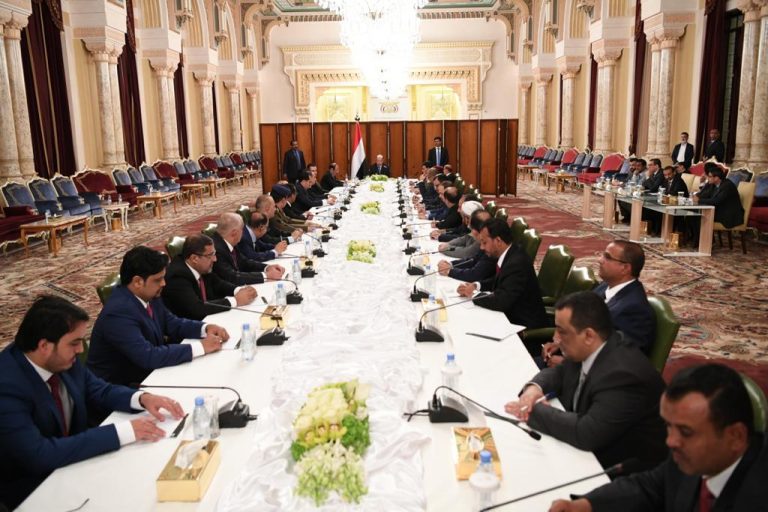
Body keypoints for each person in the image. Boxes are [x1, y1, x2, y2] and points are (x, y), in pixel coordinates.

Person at [0, 296, 184, 509]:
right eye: (74, 343)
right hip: (35, 489)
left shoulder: (60, 359)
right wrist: (122, 432)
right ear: (44, 346)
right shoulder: (7, 386)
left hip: (77, 464)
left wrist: (141, 399)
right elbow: (39, 455)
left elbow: (99, 390)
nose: (80, 350)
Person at [549, 364, 767, 512]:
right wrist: (586, 505)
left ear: (736, 436)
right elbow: (651, 486)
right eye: (668, 426)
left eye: (686, 432)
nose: (671, 441)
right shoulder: (692, 457)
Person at [506, 291, 668, 473]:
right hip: (585, 452)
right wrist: (533, 389)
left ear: (589, 335)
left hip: (619, 471)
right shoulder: (594, 345)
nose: (556, 338)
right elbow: (559, 372)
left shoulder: (624, 375)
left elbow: (585, 432)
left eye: (562, 331)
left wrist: (532, 409)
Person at [88, 246, 229, 387]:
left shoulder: (149, 295)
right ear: (137, 282)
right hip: (122, 388)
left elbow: (172, 323)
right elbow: (148, 356)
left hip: (151, 374)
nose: (164, 283)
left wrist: (205, 328)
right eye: (158, 280)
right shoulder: (117, 313)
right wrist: (200, 347)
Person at [542, 241, 656, 367]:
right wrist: (561, 344)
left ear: (625, 268)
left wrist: (566, 364)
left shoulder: (635, 309)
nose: (600, 260)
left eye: (607, 257)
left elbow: (622, 361)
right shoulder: (606, 286)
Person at [456, 218, 548, 331]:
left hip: (523, 327)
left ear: (498, 241)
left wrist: (473, 294)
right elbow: (500, 280)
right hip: (511, 316)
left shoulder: (516, 263)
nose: (482, 247)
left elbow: (501, 301)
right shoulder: (511, 252)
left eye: (484, 243)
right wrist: (477, 285)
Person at [162, 234, 258, 321]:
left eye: (214, 254)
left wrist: (239, 290)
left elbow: (219, 284)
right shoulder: (177, 277)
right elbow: (197, 309)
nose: (215, 259)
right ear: (194, 258)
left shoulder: (201, 267)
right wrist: (236, 300)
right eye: (210, 255)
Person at [210, 212, 285, 286]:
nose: (243, 233)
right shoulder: (216, 249)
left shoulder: (229, 241)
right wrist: (266, 275)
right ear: (234, 233)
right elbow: (233, 277)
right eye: (242, 229)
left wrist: (267, 267)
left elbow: (244, 262)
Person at [437, 210, 496, 282]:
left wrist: (450, 271)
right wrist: (451, 264)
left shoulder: (490, 246)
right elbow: (473, 260)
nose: (458, 210)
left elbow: (474, 273)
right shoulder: (483, 238)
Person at [694, 163, 744, 228]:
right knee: (693, 215)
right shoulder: (714, 184)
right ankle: (692, 234)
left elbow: (717, 200)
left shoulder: (727, 185)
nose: (707, 178)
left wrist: (699, 200)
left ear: (716, 178)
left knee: (698, 216)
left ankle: (702, 235)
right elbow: (706, 194)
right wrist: (696, 196)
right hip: (719, 210)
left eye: (709, 176)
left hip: (728, 215)